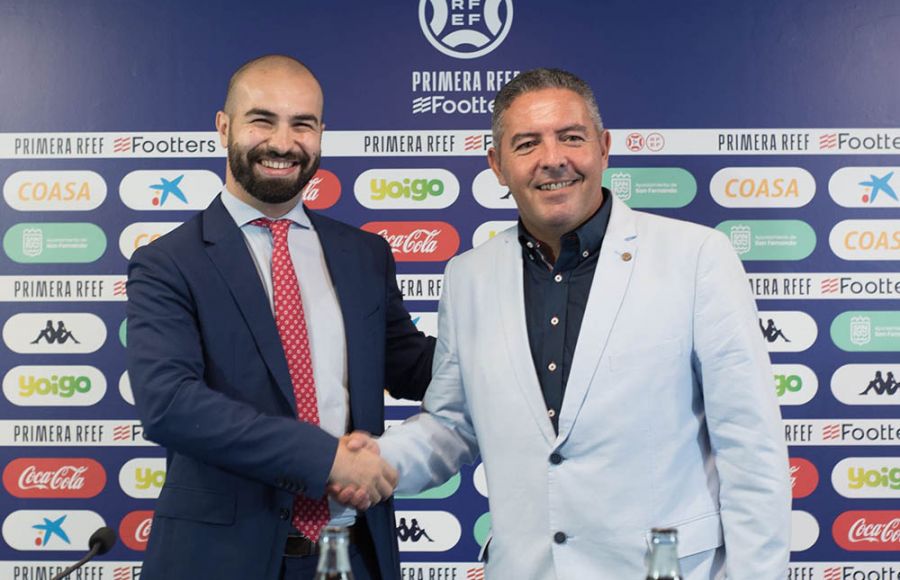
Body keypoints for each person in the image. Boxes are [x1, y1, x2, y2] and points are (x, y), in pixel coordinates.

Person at [358, 68, 791, 579]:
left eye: (571, 137)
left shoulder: (696, 257)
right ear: (497, 165)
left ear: (603, 148)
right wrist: (366, 462)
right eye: (526, 144)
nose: (553, 159)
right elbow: (453, 425)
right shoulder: (468, 276)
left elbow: (751, 446)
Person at [126, 54, 435, 580]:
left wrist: (512, 352)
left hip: (355, 555)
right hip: (220, 563)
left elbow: (410, 365)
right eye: (262, 120)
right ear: (224, 127)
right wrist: (326, 459)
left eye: (303, 124)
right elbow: (170, 404)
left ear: (321, 134)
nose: (283, 142)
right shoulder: (167, 263)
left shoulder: (365, 255)